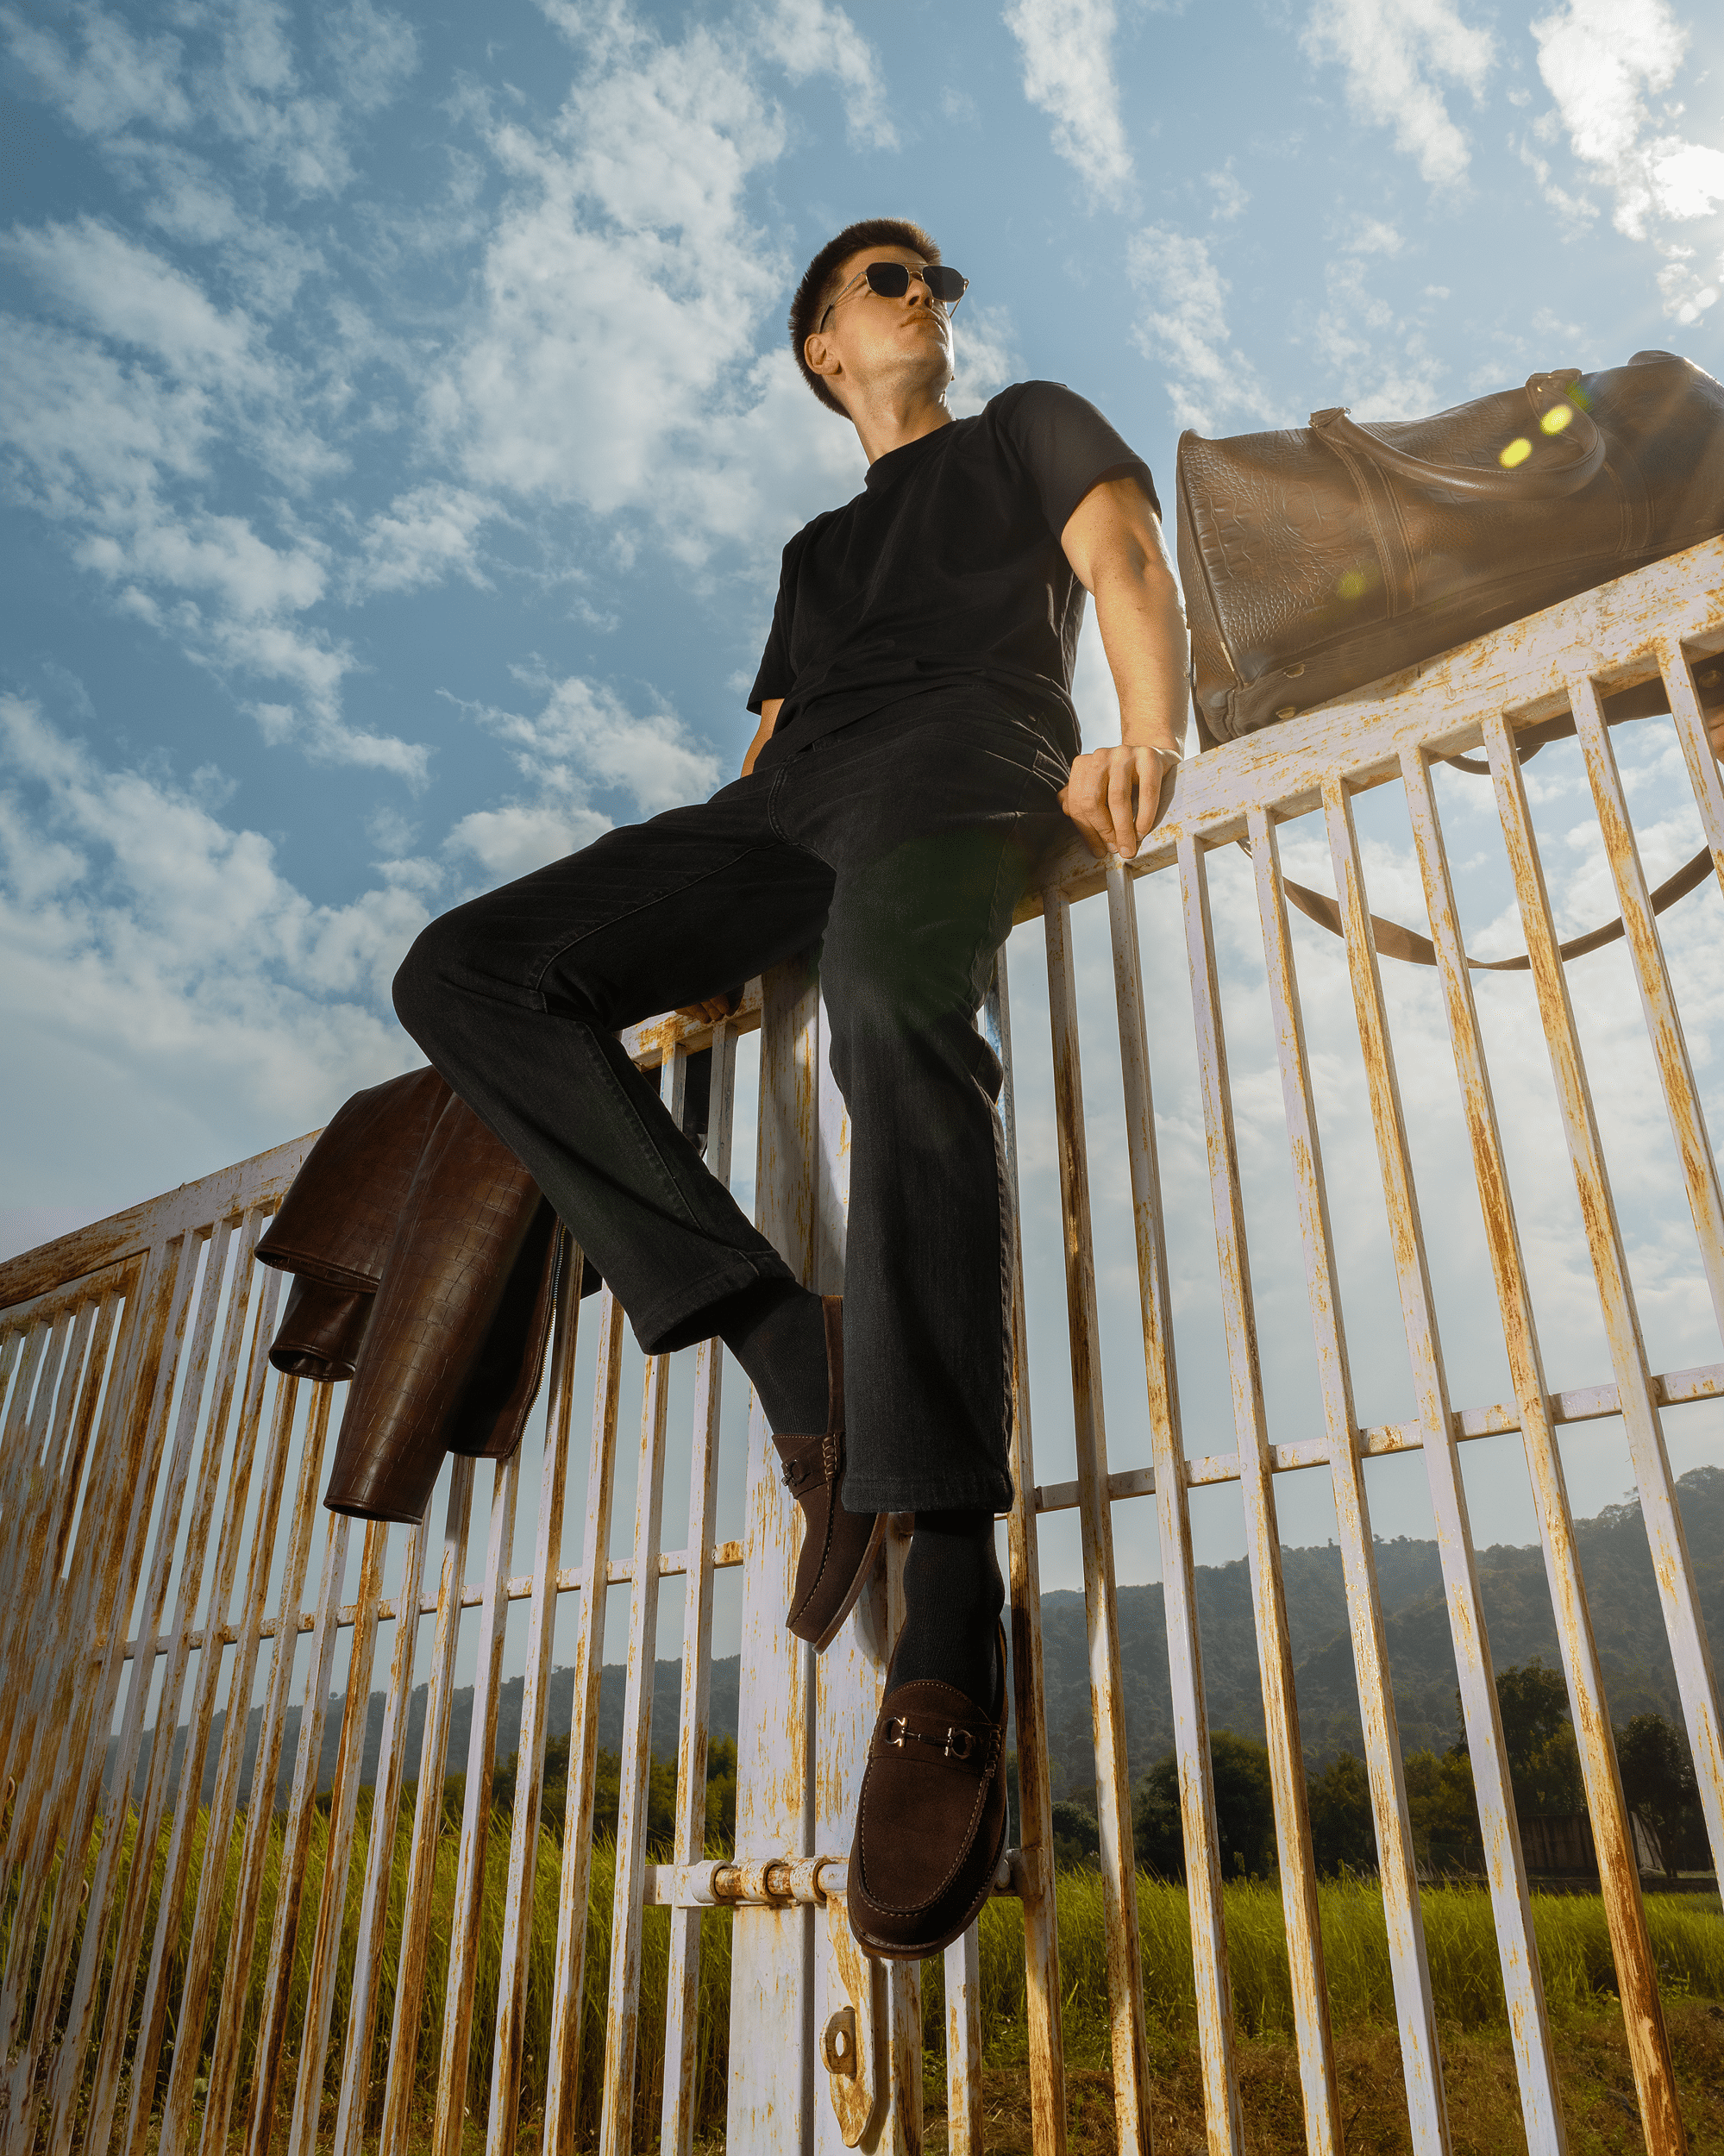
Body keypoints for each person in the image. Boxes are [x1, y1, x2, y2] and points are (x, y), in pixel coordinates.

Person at [393, 216, 1188, 1960]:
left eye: (939, 285)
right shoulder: (817, 547)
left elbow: (1127, 561)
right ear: (827, 347)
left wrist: (1146, 724)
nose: (931, 301)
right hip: (790, 798)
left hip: (966, 753)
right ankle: (780, 1337)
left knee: (887, 996)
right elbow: (759, 758)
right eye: (892, 283)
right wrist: (670, 911)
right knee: (461, 968)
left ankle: (952, 1619)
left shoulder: (1030, 427)